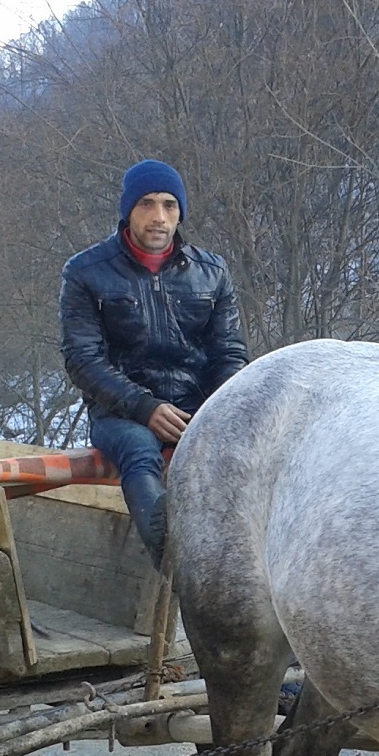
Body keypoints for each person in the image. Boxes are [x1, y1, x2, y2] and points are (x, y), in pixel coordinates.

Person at [59, 159, 248, 567]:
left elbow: (229, 353)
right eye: (146, 204)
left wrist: (218, 412)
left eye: (169, 205)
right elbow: (82, 359)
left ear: (180, 212)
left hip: (197, 406)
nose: (159, 217)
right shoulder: (85, 273)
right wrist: (145, 407)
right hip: (121, 412)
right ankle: (176, 566)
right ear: (128, 210)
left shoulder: (212, 272)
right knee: (139, 449)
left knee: (244, 450)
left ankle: (245, 563)